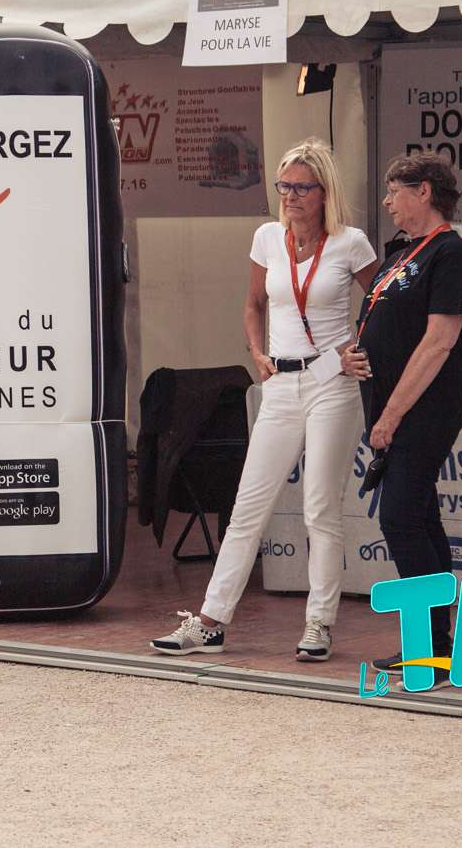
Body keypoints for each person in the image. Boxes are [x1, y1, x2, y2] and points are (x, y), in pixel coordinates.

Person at [151, 139, 380, 662]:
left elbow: (383, 305)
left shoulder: (350, 243)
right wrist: (256, 353)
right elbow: (254, 303)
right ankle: (210, 621)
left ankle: (319, 623)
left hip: (331, 383)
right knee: (248, 505)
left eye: (301, 188)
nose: (290, 196)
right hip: (281, 382)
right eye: (284, 186)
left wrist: (353, 349)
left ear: (324, 192)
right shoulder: (267, 238)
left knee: (320, 507)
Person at [341, 152, 462, 673]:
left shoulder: (450, 253)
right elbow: (383, 321)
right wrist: (354, 354)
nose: (387, 201)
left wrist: (392, 415)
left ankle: (428, 645)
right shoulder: (401, 252)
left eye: (395, 190)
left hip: (424, 407)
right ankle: (441, 641)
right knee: (420, 517)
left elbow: (440, 340)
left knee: (398, 515)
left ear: (424, 191)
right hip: (391, 403)